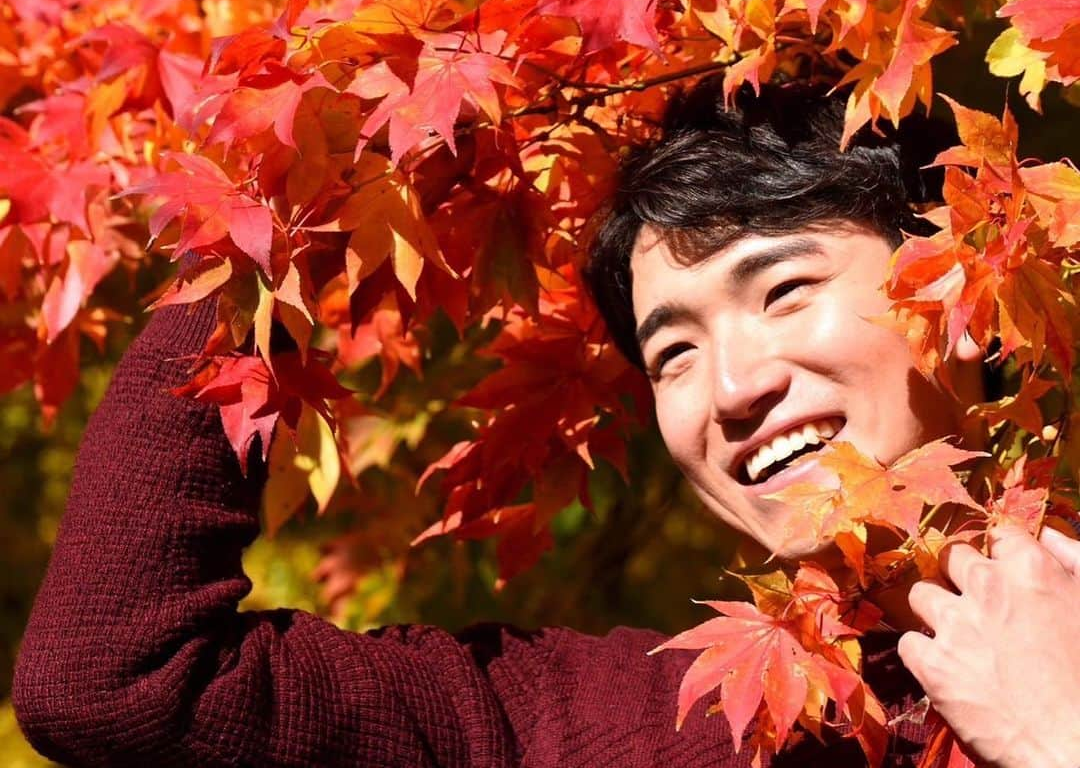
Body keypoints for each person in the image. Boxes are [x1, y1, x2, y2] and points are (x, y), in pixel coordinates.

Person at [12, 80, 1080, 767]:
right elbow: (117, 683)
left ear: (964, 289)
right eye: (672, 351)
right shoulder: (622, 724)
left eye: (783, 290)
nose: (734, 384)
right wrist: (266, 232)